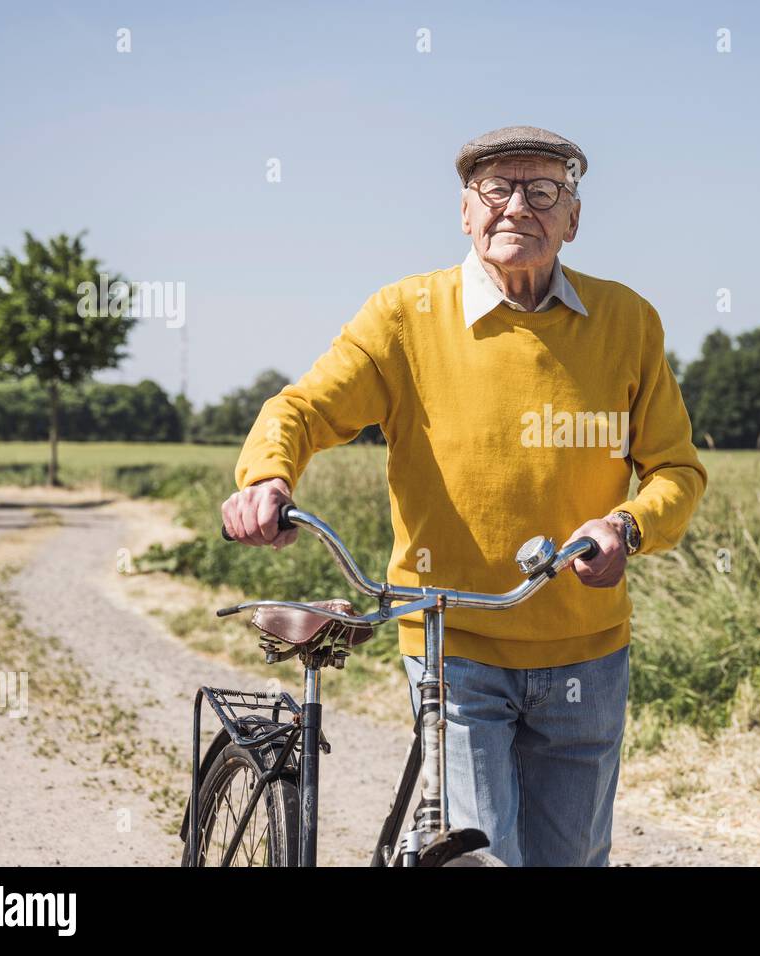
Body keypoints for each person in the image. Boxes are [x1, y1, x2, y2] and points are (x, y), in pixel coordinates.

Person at [222, 125, 707, 866]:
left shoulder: (628, 321)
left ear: (572, 218)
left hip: (588, 656)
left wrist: (628, 527)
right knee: (483, 857)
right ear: (465, 212)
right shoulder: (403, 316)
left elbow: (675, 470)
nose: (518, 206)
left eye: (542, 191)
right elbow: (304, 409)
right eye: (497, 189)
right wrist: (266, 474)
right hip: (454, 646)